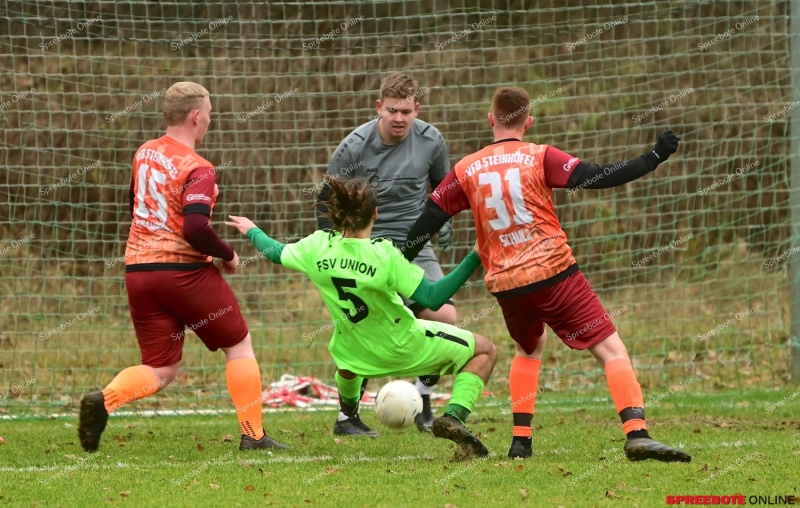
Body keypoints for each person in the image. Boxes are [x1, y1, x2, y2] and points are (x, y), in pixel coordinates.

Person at [402, 86, 692, 463]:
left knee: (528, 348)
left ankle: (521, 441)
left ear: (490, 119)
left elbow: (424, 226)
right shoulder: (540, 156)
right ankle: (636, 433)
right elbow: (601, 176)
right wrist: (653, 156)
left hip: (506, 285)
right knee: (610, 349)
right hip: (554, 273)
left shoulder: (465, 169)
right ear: (529, 121)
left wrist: (395, 260)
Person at [78, 81, 287, 452]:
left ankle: (103, 400)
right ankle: (253, 434)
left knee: (161, 367)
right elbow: (195, 228)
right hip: (183, 272)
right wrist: (228, 255)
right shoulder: (199, 167)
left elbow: (136, 206)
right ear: (195, 116)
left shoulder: (143, 153)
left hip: (139, 272)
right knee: (239, 344)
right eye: (208, 113)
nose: (209, 120)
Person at [227, 176, 497, 457]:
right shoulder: (384, 254)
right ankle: (454, 417)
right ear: (376, 214)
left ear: (337, 214)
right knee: (486, 350)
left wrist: (252, 230)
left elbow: (276, 252)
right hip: (406, 347)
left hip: (355, 354)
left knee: (345, 355)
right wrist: (474, 257)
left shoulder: (317, 246)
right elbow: (432, 298)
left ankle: (348, 413)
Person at [315, 72, 456, 434]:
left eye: (406, 111)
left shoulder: (431, 141)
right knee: (362, 330)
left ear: (416, 109)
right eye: (392, 110)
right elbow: (325, 201)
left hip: (415, 245)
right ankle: (348, 417)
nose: (399, 118)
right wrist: (330, 247)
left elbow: (443, 188)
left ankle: (423, 403)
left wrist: (445, 224)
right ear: (378, 107)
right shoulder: (353, 148)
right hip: (365, 246)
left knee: (446, 317)